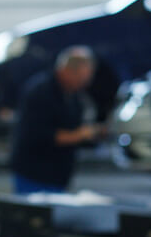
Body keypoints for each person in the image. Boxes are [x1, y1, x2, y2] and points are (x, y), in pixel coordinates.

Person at [9, 45, 105, 193]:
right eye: (81, 79)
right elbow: (38, 135)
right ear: (66, 71)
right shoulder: (40, 93)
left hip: (59, 176)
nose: (85, 84)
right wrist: (81, 134)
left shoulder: (74, 97)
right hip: (33, 174)